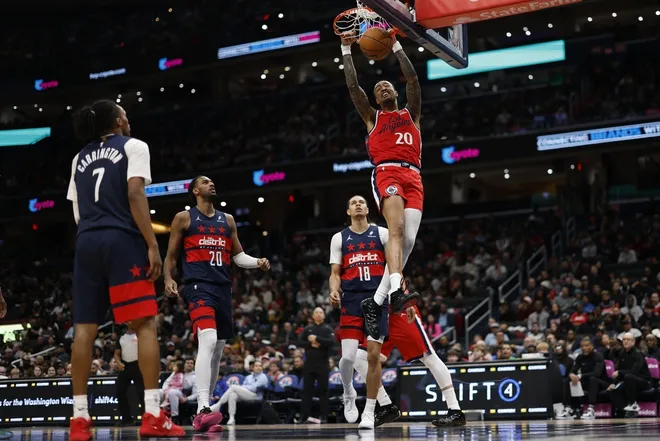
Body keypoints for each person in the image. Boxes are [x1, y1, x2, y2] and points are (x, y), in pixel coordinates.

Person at [66, 100, 183, 440]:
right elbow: (135, 192)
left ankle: (79, 419)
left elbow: (77, 213)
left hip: (86, 241)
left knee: (84, 330)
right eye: (125, 113)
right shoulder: (133, 145)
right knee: (145, 324)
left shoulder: (78, 158)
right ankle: (151, 413)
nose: (128, 118)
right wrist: (151, 243)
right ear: (117, 120)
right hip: (122, 241)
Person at [163, 175, 270, 432]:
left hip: (223, 289)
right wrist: (168, 279)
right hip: (198, 286)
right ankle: (202, 405)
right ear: (195, 191)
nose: (212, 184)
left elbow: (239, 256)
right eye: (206, 182)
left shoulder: (228, 220)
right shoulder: (184, 218)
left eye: (213, 181)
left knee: (218, 349)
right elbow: (171, 256)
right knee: (208, 340)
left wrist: (257, 262)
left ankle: (205, 410)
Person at [340, 31, 422, 339]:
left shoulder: (411, 113)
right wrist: (347, 50)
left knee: (409, 240)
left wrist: (397, 44)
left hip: (414, 176)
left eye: (387, 85)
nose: (384, 87)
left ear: (395, 92)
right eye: (379, 88)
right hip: (387, 174)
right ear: (375, 99)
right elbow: (352, 87)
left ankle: (375, 302)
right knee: (397, 230)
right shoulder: (373, 117)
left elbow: (412, 81)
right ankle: (396, 289)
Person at [348, 304, 465, 428]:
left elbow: (398, 284)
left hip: (400, 311)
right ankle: (386, 406)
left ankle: (455, 410)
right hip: (380, 315)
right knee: (359, 357)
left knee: (429, 357)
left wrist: (407, 302)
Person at [328, 195, 388, 423]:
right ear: (348, 211)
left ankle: (370, 412)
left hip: (378, 299)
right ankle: (348, 391)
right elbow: (335, 273)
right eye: (353, 202)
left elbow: (394, 264)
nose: (358, 204)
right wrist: (334, 290)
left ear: (367, 208)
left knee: (373, 357)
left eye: (362, 202)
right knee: (348, 359)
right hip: (351, 300)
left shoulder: (381, 233)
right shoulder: (339, 238)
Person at [297, 307, 336, 423]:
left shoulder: (328, 329)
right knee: (307, 391)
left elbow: (331, 342)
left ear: (324, 315)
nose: (319, 314)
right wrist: (310, 343)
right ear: (312, 316)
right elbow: (299, 342)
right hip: (309, 364)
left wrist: (317, 339)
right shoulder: (308, 328)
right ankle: (303, 417)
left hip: (323, 363)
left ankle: (324, 416)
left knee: (323, 391)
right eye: (316, 313)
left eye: (321, 312)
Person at [557, 337, 610, 420]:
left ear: (592, 346)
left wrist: (580, 376)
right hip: (586, 381)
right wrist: (571, 375)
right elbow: (573, 370)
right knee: (567, 380)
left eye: (587, 346)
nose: (584, 348)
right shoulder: (580, 357)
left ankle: (591, 409)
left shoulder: (598, 356)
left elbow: (597, 373)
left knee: (593, 378)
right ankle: (568, 409)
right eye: (582, 346)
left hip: (601, 382)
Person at [210, 361, 269, 425]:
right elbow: (244, 386)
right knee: (232, 395)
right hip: (247, 394)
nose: (258, 367)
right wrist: (246, 387)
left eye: (260, 366)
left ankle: (218, 405)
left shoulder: (263, 377)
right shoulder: (248, 377)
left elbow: (254, 389)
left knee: (233, 387)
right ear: (253, 368)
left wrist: (245, 387)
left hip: (256, 396)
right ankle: (231, 418)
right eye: (256, 366)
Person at [608, 332, 651, 415]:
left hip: (644, 381)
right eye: (624, 339)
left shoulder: (638, 353)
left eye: (628, 339)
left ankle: (633, 404)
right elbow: (619, 370)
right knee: (614, 389)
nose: (626, 341)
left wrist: (619, 372)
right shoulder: (622, 353)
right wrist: (613, 383)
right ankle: (622, 410)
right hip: (629, 381)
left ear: (633, 342)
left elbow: (635, 371)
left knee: (628, 377)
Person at [115, 328, 144, 425]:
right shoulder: (121, 337)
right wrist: (118, 363)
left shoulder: (140, 334)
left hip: (138, 365)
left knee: (141, 392)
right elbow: (117, 353)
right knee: (120, 392)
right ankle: (126, 418)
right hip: (125, 366)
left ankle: (145, 418)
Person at [160, 359, 197, 424]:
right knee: (159, 392)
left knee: (172, 392)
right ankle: (157, 414)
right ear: (184, 365)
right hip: (170, 391)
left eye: (191, 363)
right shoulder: (177, 372)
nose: (189, 364)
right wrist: (165, 391)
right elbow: (166, 383)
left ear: (193, 366)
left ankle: (174, 417)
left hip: (183, 395)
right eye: (187, 362)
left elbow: (196, 393)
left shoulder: (195, 377)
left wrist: (187, 399)